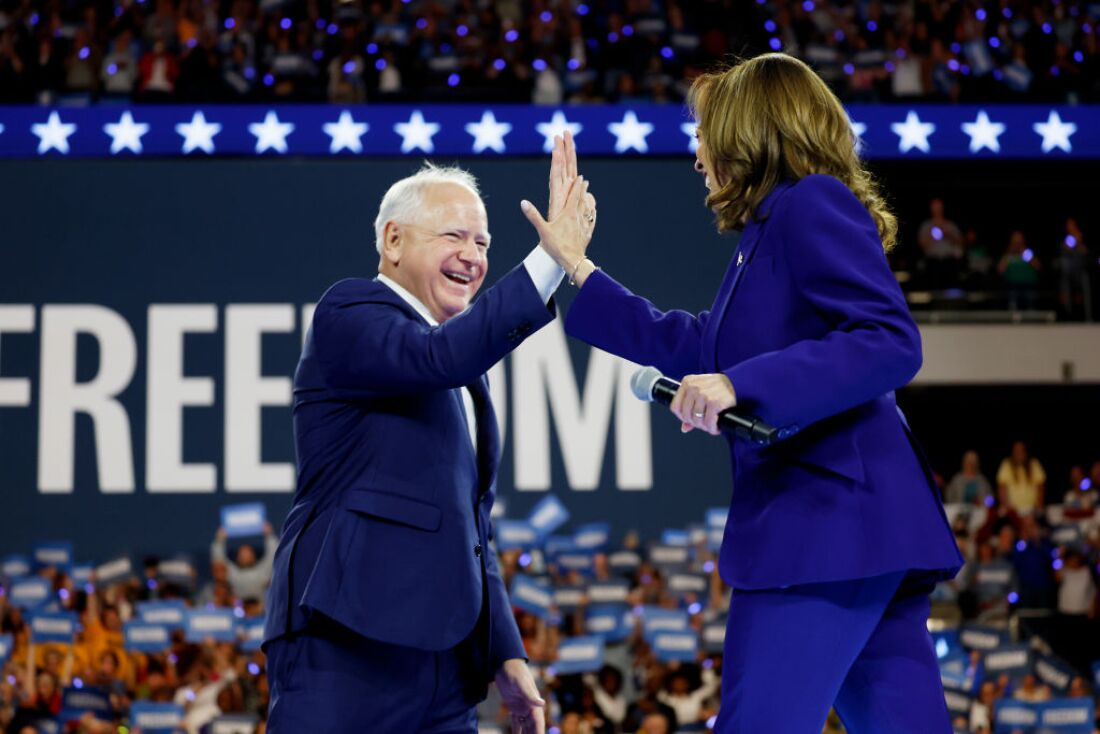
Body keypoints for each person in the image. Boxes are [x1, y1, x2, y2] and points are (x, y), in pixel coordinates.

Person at [521, 53, 963, 732]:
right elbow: (703, 347)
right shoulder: (765, 232)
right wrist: (578, 269)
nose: (696, 150)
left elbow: (888, 340)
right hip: (860, 533)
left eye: (702, 130)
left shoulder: (807, 203)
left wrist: (740, 384)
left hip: (823, 527)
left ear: (746, 130)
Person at [263, 152, 597, 733]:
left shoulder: (465, 368)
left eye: (484, 243)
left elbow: (471, 529)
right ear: (393, 241)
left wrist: (506, 654)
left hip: (446, 670)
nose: (474, 256)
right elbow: (435, 357)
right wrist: (549, 260)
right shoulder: (349, 311)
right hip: (347, 647)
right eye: (455, 236)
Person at [995, 440, 1046, 516]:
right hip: (1012, 510)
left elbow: (1040, 486)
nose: (1019, 453)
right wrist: (1005, 505)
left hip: (1031, 509)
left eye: (1021, 450)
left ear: (1026, 452)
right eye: (1016, 450)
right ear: (1013, 452)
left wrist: (1039, 505)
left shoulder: (1034, 464)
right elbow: (1001, 486)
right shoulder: (1006, 464)